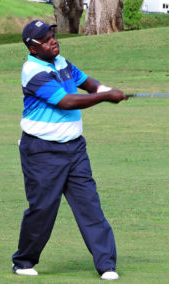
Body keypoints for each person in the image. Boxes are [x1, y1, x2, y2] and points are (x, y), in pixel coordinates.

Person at [11, 19, 128, 281]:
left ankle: (107, 265)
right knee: (43, 209)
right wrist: (105, 98)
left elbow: (87, 83)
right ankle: (23, 261)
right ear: (33, 47)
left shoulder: (62, 62)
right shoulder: (32, 70)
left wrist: (107, 90)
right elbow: (67, 102)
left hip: (75, 149)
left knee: (89, 206)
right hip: (42, 151)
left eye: (53, 35)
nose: (54, 40)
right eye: (47, 38)